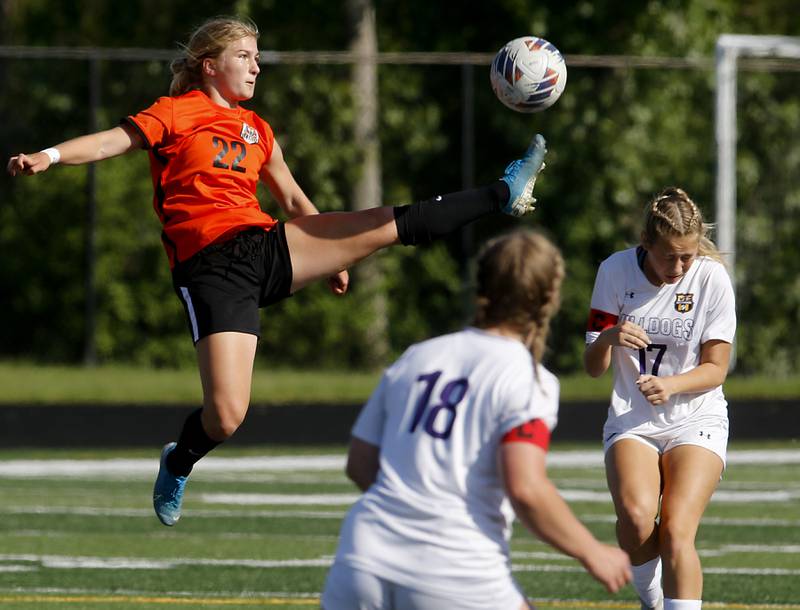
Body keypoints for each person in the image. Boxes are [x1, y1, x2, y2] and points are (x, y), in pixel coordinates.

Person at [6, 16, 549, 527]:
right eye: (244, 55)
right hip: (210, 269)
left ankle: (502, 193)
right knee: (226, 416)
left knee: (389, 225)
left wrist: (334, 252)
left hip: (265, 245)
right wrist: (48, 156)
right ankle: (180, 460)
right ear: (209, 65)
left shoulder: (257, 130)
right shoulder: (176, 112)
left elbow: (290, 196)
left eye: (258, 57)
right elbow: (109, 141)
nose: (256, 66)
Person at [321, 230, 631, 610]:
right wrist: (592, 552)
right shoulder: (528, 378)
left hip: (362, 558)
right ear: (549, 299)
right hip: (455, 569)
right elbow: (525, 488)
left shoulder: (417, 355)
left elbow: (360, 464)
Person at [583, 187, 737, 610]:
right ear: (646, 243)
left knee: (676, 531)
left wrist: (672, 385)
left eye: (687, 255)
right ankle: (652, 600)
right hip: (633, 419)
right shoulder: (614, 271)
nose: (680, 266)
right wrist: (609, 339)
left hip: (696, 416)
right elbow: (593, 365)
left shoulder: (710, 277)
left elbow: (717, 368)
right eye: (670, 256)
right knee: (635, 520)